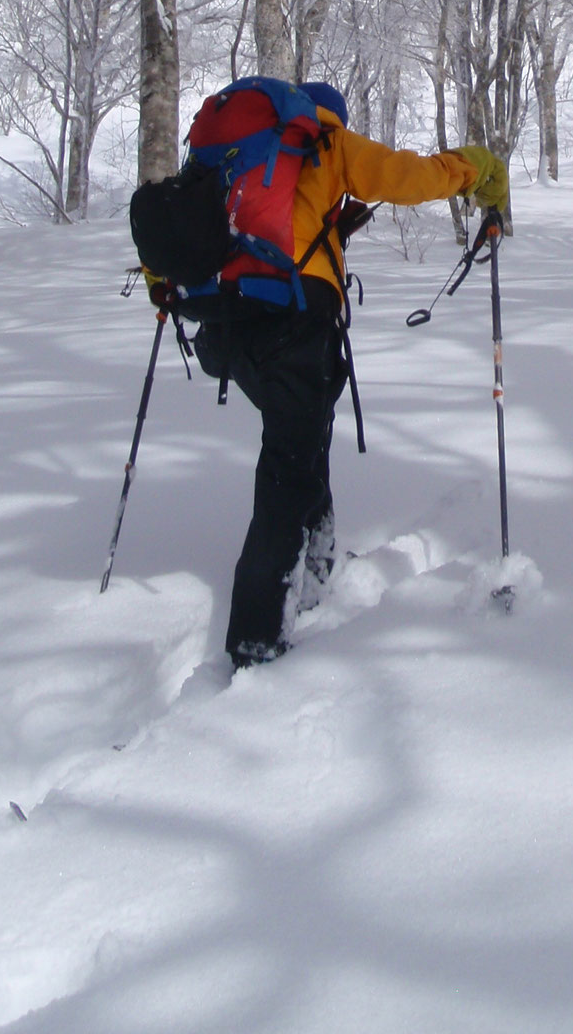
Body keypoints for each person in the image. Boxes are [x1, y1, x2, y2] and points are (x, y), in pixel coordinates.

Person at [188, 80, 508, 672]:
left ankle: (318, 562)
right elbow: (410, 177)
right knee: (288, 468)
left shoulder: (242, 162)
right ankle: (256, 639)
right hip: (294, 330)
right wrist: (472, 167)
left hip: (230, 328)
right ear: (323, 119)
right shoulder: (327, 143)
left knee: (303, 441)